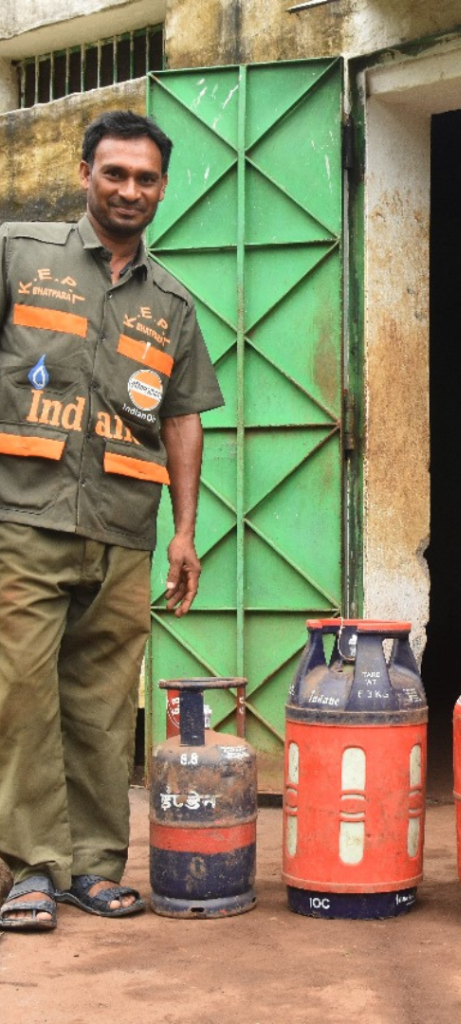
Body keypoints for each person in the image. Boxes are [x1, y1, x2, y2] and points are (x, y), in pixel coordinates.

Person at [0, 111, 223, 930]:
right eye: (115, 173)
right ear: (85, 174)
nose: (130, 190)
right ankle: (31, 869)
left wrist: (185, 533)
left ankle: (93, 868)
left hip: (124, 531)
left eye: (146, 178)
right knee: (20, 695)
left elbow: (183, 420)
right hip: (22, 517)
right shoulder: (18, 253)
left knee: (100, 709)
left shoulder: (172, 303)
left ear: (162, 188)